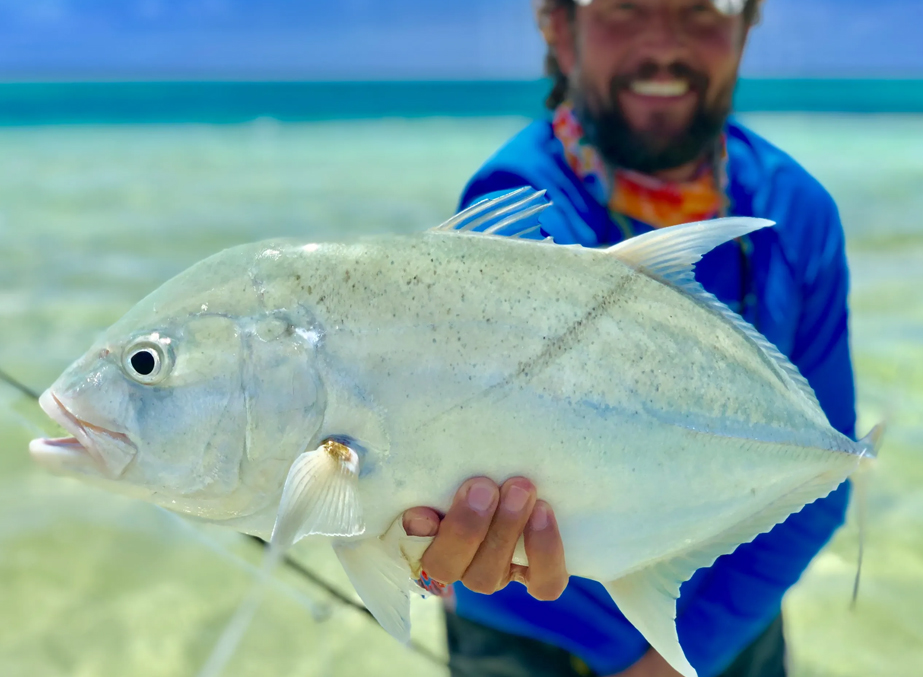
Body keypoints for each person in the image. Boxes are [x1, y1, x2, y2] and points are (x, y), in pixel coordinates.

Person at [402, 0, 856, 675]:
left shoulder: (794, 212)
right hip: (525, 632)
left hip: (729, 624)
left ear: (745, 24)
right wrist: (414, 549)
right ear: (558, 26)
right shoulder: (514, 206)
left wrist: (680, 656)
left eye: (703, 8)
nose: (662, 42)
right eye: (623, 6)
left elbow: (824, 473)